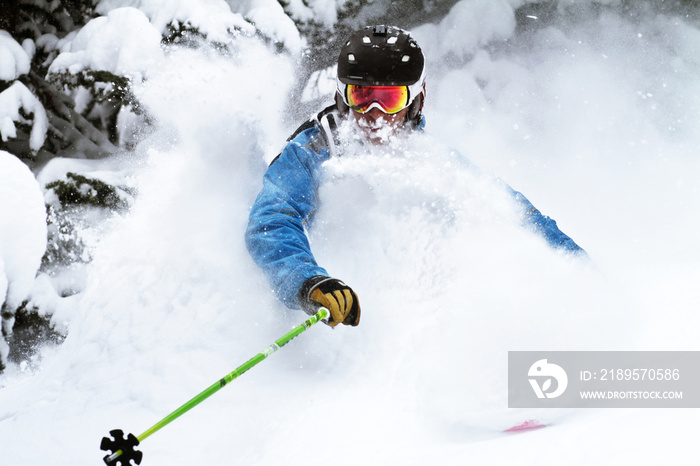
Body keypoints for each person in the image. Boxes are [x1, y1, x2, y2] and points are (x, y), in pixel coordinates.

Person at [245, 25, 586, 328]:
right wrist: (310, 282)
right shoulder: (315, 150)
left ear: (415, 101)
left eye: (389, 100)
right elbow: (272, 219)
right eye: (361, 97)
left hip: (404, 311)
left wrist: (576, 268)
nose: (373, 116)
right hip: (325, 300)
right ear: (342, 97)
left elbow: (511, 212)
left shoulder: (428, 157)